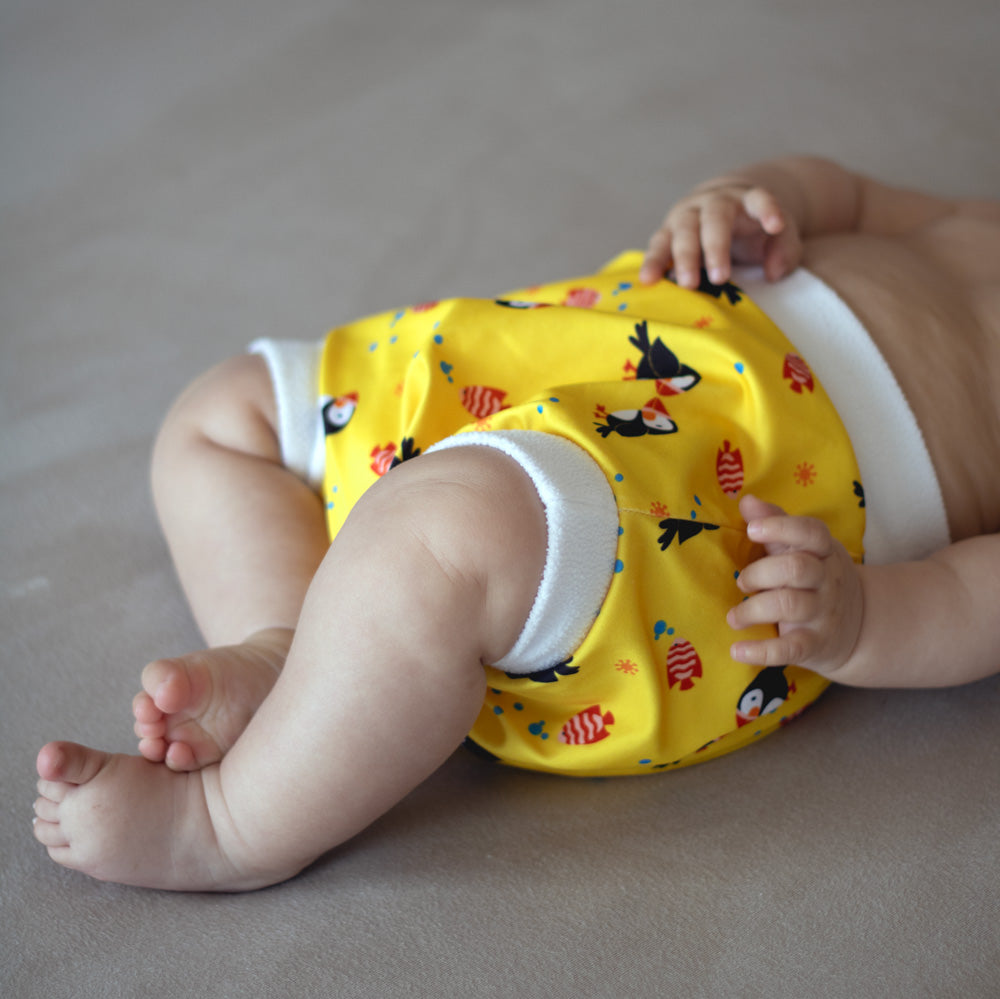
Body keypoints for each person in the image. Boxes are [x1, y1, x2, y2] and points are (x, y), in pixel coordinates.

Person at [32, 156, 1000, 892]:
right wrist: (748, 196)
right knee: (222, 416)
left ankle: (229, 822)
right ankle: (289, 647)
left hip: (716, 494)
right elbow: (845, 196)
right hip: (616, 340)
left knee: (443, 544)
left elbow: (980, 598)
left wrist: (866, 620)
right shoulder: (975, 218)